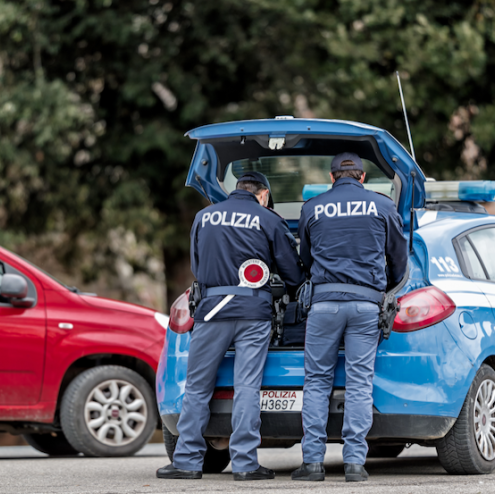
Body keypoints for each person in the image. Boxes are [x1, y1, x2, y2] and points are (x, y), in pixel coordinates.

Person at [157, 171, 304, 481]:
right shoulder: (268, 219)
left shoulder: (204, 216)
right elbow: (291, 272)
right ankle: (246, 465)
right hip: (254, 313)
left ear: (236, 190)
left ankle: (186, 462)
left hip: (211, 312)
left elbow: (197, 266)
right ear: (263, 194)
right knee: (247, 386)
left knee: (197, 386)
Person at [291, 152, 408, 482]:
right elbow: (399, 257)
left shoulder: (312, 207)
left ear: (330, 178)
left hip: (324, 305)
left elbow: (304, 257)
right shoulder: (382, 205)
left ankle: (312, 463)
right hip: (366, 306)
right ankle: (355, 462)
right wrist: (387, 287)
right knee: (359, 382)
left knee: (316, 382)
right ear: (362, 177)